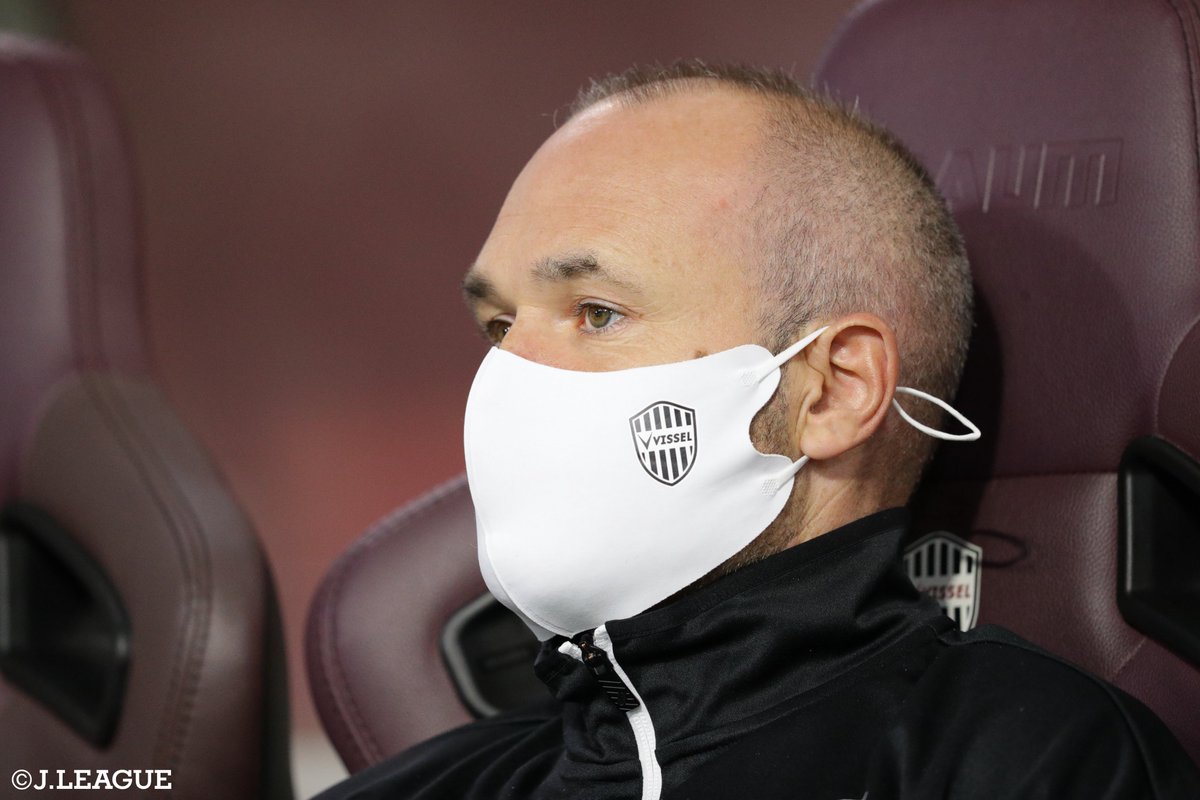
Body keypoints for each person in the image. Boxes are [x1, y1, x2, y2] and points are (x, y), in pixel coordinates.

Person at [317, 62, 1200, 799]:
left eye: (596, 312)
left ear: (832, 392)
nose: (508, 379)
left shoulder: (1023, 765)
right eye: (499, 326)